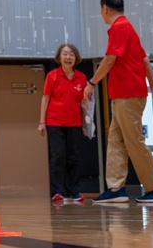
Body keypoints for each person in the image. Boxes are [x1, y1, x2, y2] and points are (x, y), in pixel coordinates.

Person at [83, 0, 153, 203]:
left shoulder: (119, 27)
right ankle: (115, 189)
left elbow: (109, 59)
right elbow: (145, 60)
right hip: (125, 95)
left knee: (134, 142)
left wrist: (91, 83)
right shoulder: (128, 27)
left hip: (128, 95)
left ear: (104, 9)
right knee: (116, 141)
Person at [39, 43, 88, 203]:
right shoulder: (52, 76)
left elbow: (84, 103)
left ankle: (74, 192)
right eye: (65, 54)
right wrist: (41, 122)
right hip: (55, 122)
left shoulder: (81, 78)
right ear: (59, 58)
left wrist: (85, 126)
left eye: (71, 54)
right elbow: (45, 99)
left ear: (76, 58)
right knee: (57, 156)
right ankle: (57, 192)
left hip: (74, 123)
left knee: (73, 157)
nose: (68, 57)